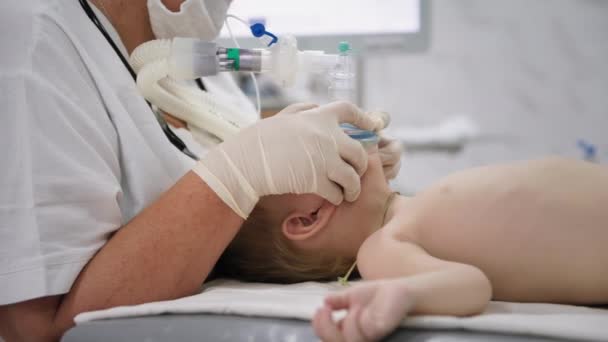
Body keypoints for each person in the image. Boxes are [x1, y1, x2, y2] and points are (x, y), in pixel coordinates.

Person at [0, 1, 403, 341]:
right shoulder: (33, 42)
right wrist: (236, 173)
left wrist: (322, 148)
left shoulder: (195, 54)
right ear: (307, 219)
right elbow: (33, 330)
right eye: (393, 206)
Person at [216, 146, 608, 341]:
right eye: (319, 152)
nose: (342, 144)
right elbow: (470, 286)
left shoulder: (407, 208)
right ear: (307, 219)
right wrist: (404, 294)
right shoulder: (380, 248)